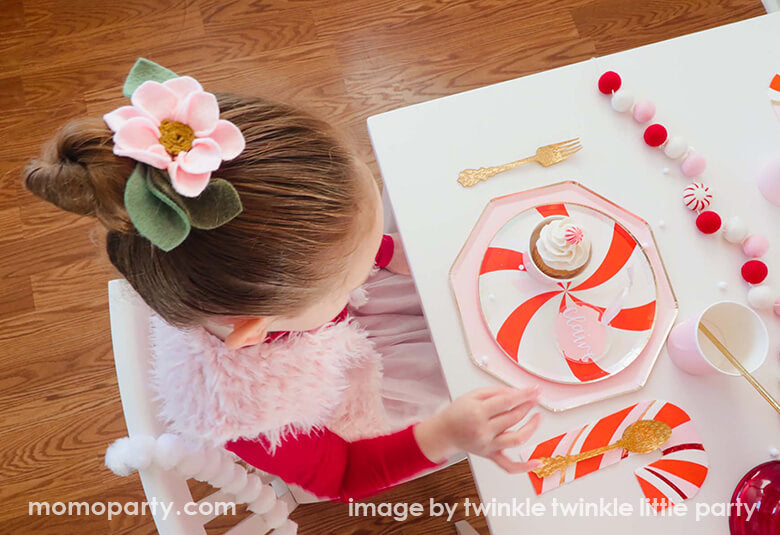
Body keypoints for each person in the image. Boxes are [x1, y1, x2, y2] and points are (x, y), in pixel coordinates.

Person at [23, 59, 541, 502]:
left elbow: (323, 253)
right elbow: (342, 475)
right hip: (341, 399)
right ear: (258, 327)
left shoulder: (236, 266)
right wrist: (444, 433)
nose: (374, 255)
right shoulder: (250, 414)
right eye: (357, 266)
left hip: (316, 322)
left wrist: (379, 248)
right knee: (489, 371)